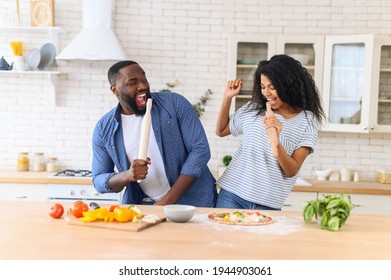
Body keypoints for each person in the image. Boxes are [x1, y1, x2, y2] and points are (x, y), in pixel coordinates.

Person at [91, 60, 217, 207]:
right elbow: (98, 180)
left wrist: (165, 203)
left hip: (195, 202)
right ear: (115, 90)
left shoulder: (174, 104)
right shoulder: (104, 128)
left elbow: (200, 150)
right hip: (143, 205)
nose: (143, 86)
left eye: (144, 79)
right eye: (133, 83)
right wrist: (127, 175)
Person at [215, 54, 325, 210]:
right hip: (233, 195)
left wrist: (276, 141)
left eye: (272, 87)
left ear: (288, 84)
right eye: (262, 86)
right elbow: (221, 130)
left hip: (267, 203)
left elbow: (292, 170)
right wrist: (227, 98)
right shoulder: (253, 108)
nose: (266, 93)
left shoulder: (307, 120)